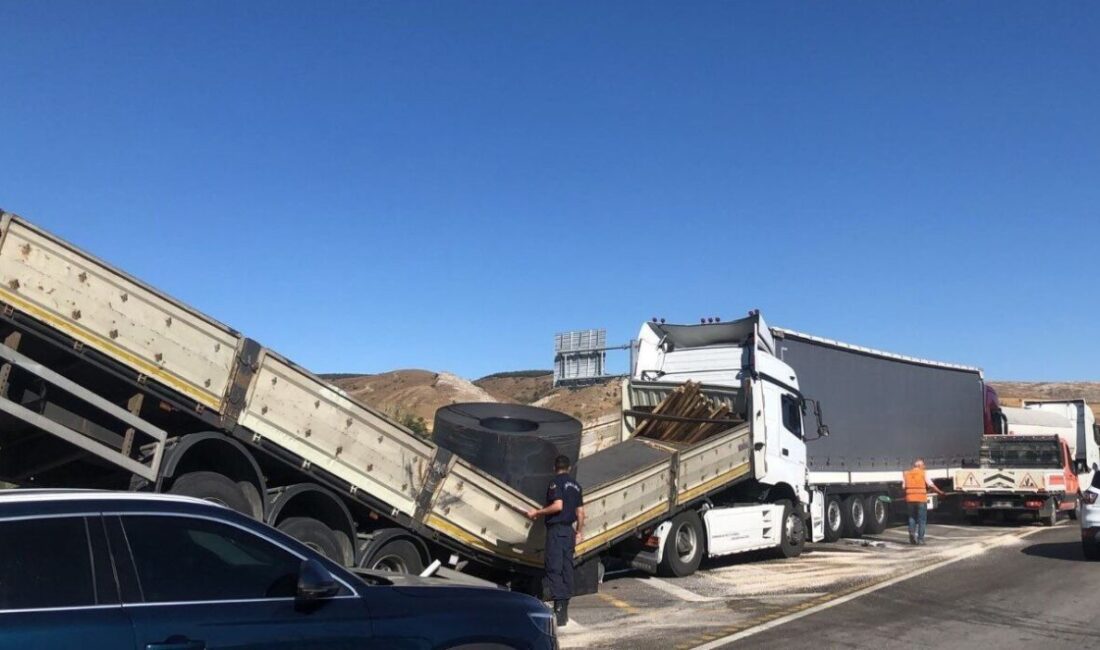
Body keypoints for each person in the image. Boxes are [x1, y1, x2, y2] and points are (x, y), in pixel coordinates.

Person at [526, 455, 585, 626]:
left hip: (557, 531)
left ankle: (559, 610)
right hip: (569, 531)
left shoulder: (555, 483)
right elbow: (581, 513)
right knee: (567, 569)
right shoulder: (576, 486)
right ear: (569, 468)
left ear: (555, 468)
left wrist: (537, 512)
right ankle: (564, 609)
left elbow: (558, 506)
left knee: (553, 568)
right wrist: (579, 532)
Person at [903, 458, 946, 545]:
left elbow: (903, 487)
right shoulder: (923, 473)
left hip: (910, 499)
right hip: (921, 499)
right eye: (923, 465)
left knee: (912, 517)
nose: (924, 466)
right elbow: (931, 485)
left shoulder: (906, 474)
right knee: (922, 520)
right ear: (919, 466)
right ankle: (920, 539)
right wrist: (940, 492)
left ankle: (912, 534)